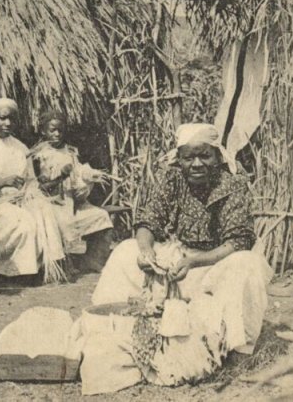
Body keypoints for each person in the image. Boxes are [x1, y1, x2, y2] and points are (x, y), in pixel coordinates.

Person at [92, 123, 273, 355]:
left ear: (217, 156)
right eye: (189, 158)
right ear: (179, 159)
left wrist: (194, 262)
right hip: (181, 262)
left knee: (247, 265)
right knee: (126, 251)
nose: (197, 164)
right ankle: (110, 330)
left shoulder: (233, 183)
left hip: (216, 265)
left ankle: (239, 349)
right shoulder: (173, 178)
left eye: (204, 156)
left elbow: (237, 242)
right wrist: (147, 251)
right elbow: (148, 221)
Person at [0, 98, 65, 282]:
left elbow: (31, 181)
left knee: (45, 211)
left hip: (21, 198)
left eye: (11, 119)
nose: (8, 123)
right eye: (2, 118)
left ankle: (51, 266)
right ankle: (10, 272)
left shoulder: (21, 148)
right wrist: (1, 183)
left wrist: (29, 192)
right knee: (25, 221)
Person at [27, 111, 112, 269]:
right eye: (52, 130)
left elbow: (79, 172)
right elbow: (39, 188)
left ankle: (92, 259)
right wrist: (61, 176)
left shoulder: (71, 152)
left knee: (101, 216)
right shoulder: (37, 156)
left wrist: (87, 176)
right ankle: (60, 263)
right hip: (49, 205)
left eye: (60, 130)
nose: (57, 134)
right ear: (43, 131)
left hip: (72, 202)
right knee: (64, 223)